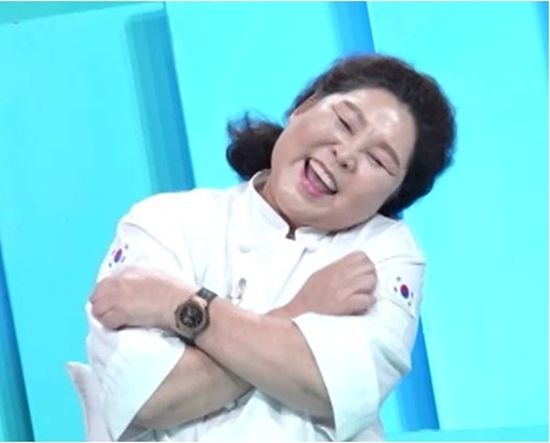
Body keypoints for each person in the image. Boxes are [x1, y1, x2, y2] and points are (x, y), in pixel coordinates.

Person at [73, 54, 456, 441]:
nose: (345, 155)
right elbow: (152, 398)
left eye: (377, 159)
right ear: (303, 107)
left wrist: (178, 304)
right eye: (344, 122)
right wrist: (300, 310)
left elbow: (329, 389)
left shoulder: (386, 253)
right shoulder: (164, 221)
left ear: (395, 196)